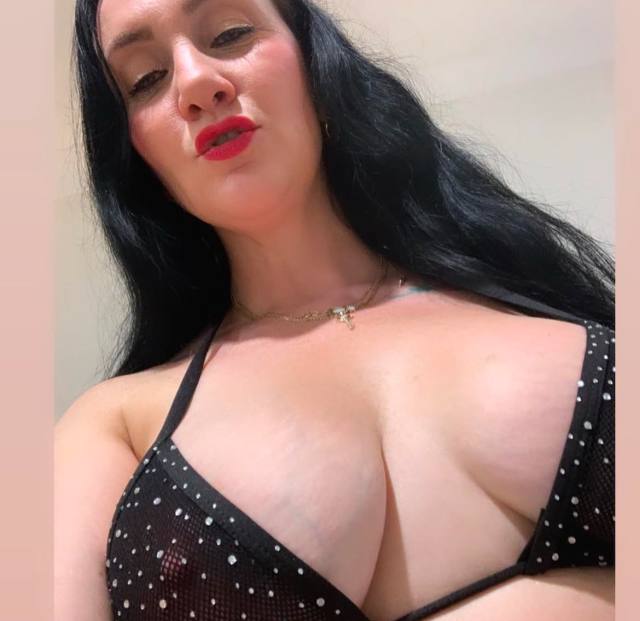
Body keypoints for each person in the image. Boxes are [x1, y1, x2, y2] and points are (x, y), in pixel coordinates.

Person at [54, 0, 615, 619]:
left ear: (314, 61)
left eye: (229, 34)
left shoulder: (534, 301)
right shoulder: (115, 429)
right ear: (138, 155)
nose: (194, 82)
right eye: (146, 80)